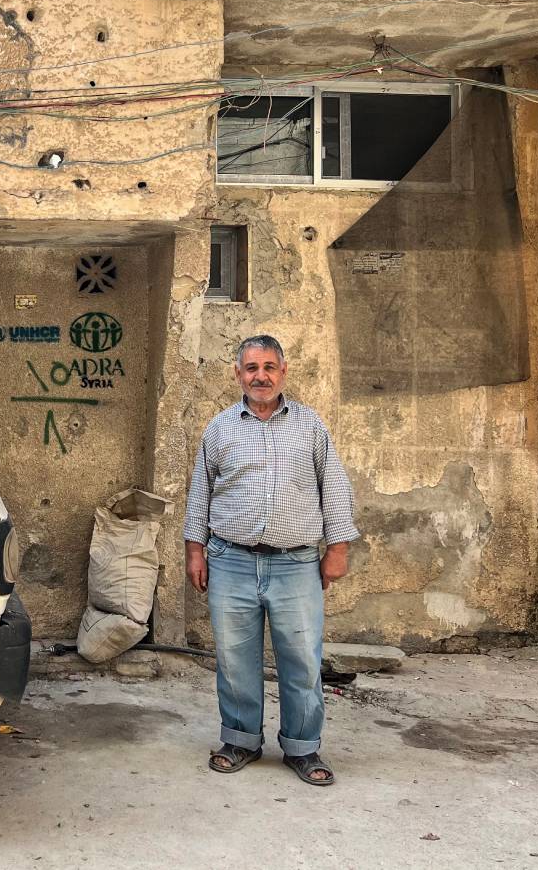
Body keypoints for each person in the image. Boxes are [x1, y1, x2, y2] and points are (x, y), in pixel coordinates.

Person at [182, 334, 358, 787]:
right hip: (230, 561)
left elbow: (334, 488)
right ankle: (241, 740)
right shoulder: (220, 428)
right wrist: (195, 549)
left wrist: (337, 549)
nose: (260, 376)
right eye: (251, 368)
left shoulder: (310, 426)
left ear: (283, 372)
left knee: (301, 659)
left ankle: (302, 747)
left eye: (269, 368)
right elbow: (201, 491)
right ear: (238, 374)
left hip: (295, 563)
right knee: (235, 658)